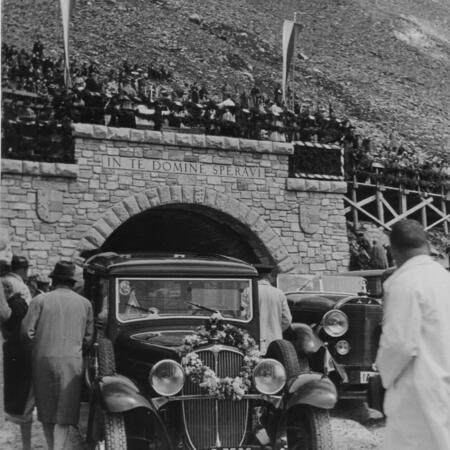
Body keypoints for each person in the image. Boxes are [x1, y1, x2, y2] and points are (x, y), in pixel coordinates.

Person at [375, 219, 450, 450]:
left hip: (419, 388)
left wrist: (384, 375)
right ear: (427, 245)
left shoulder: (405, 283)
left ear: (394, 251)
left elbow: (399, 344)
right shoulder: (444, 279)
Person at [22, 261, 94, 450]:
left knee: (46, 407)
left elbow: (26, 331)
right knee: (65, 409)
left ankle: (51, 445)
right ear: (71, 282)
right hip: (72, 361)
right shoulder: (85, 304)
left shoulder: (40, 300)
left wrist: (39, 346)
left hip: (43, 359)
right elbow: (88, 338)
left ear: (54, 281)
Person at [256, 264, 292, 354]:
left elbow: (243, 315)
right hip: (275, 340)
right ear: (268, 276)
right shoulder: (279, 293)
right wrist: (277, 329)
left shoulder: (248, 292)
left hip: (254, 341)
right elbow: (287, 319)